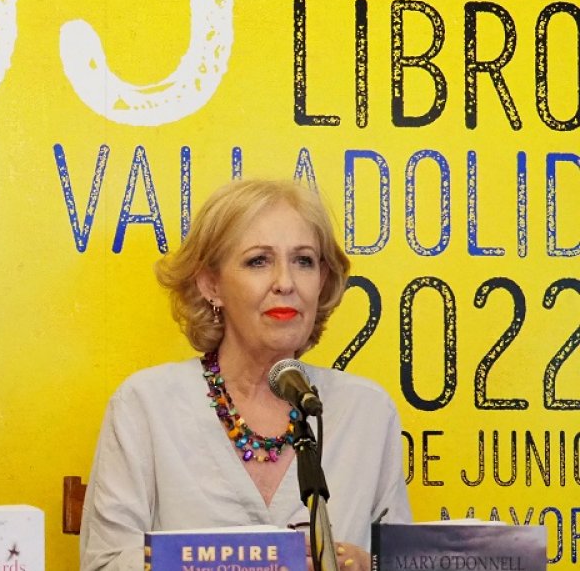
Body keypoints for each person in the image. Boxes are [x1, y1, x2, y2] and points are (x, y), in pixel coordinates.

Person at [79, 180, 410, 571]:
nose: (285, 282)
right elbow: (104, 564)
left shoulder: (367, 411)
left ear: (321, 282)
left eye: (304, 261)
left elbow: (399, 560)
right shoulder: (145, 405)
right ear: (211, 284)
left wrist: (370, 565)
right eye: (259, 261)